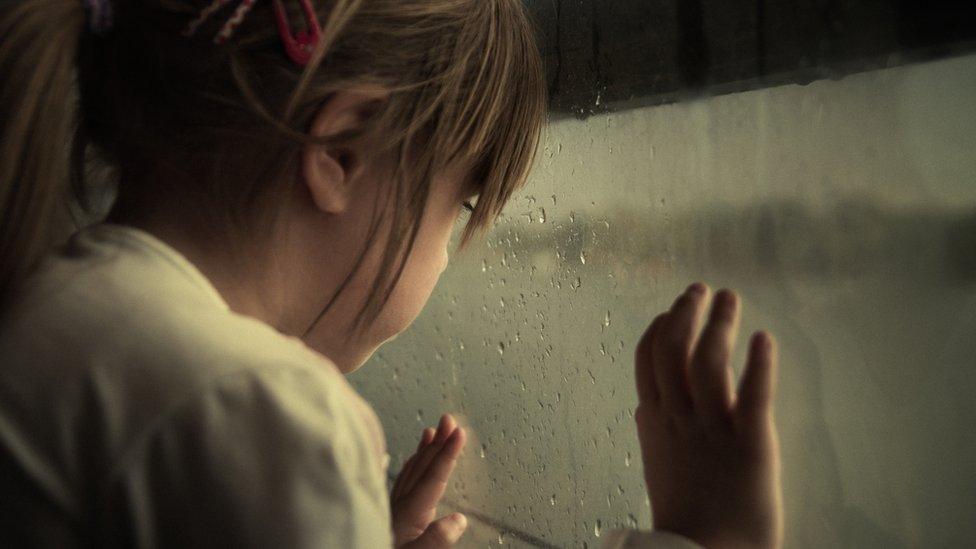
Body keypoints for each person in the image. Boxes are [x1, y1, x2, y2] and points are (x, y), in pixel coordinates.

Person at [0, 0, 783, 547]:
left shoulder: (49, 304)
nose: (446, 255)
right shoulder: (257, 409)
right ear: (341, 153)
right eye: (457, 207)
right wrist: (711, 539)